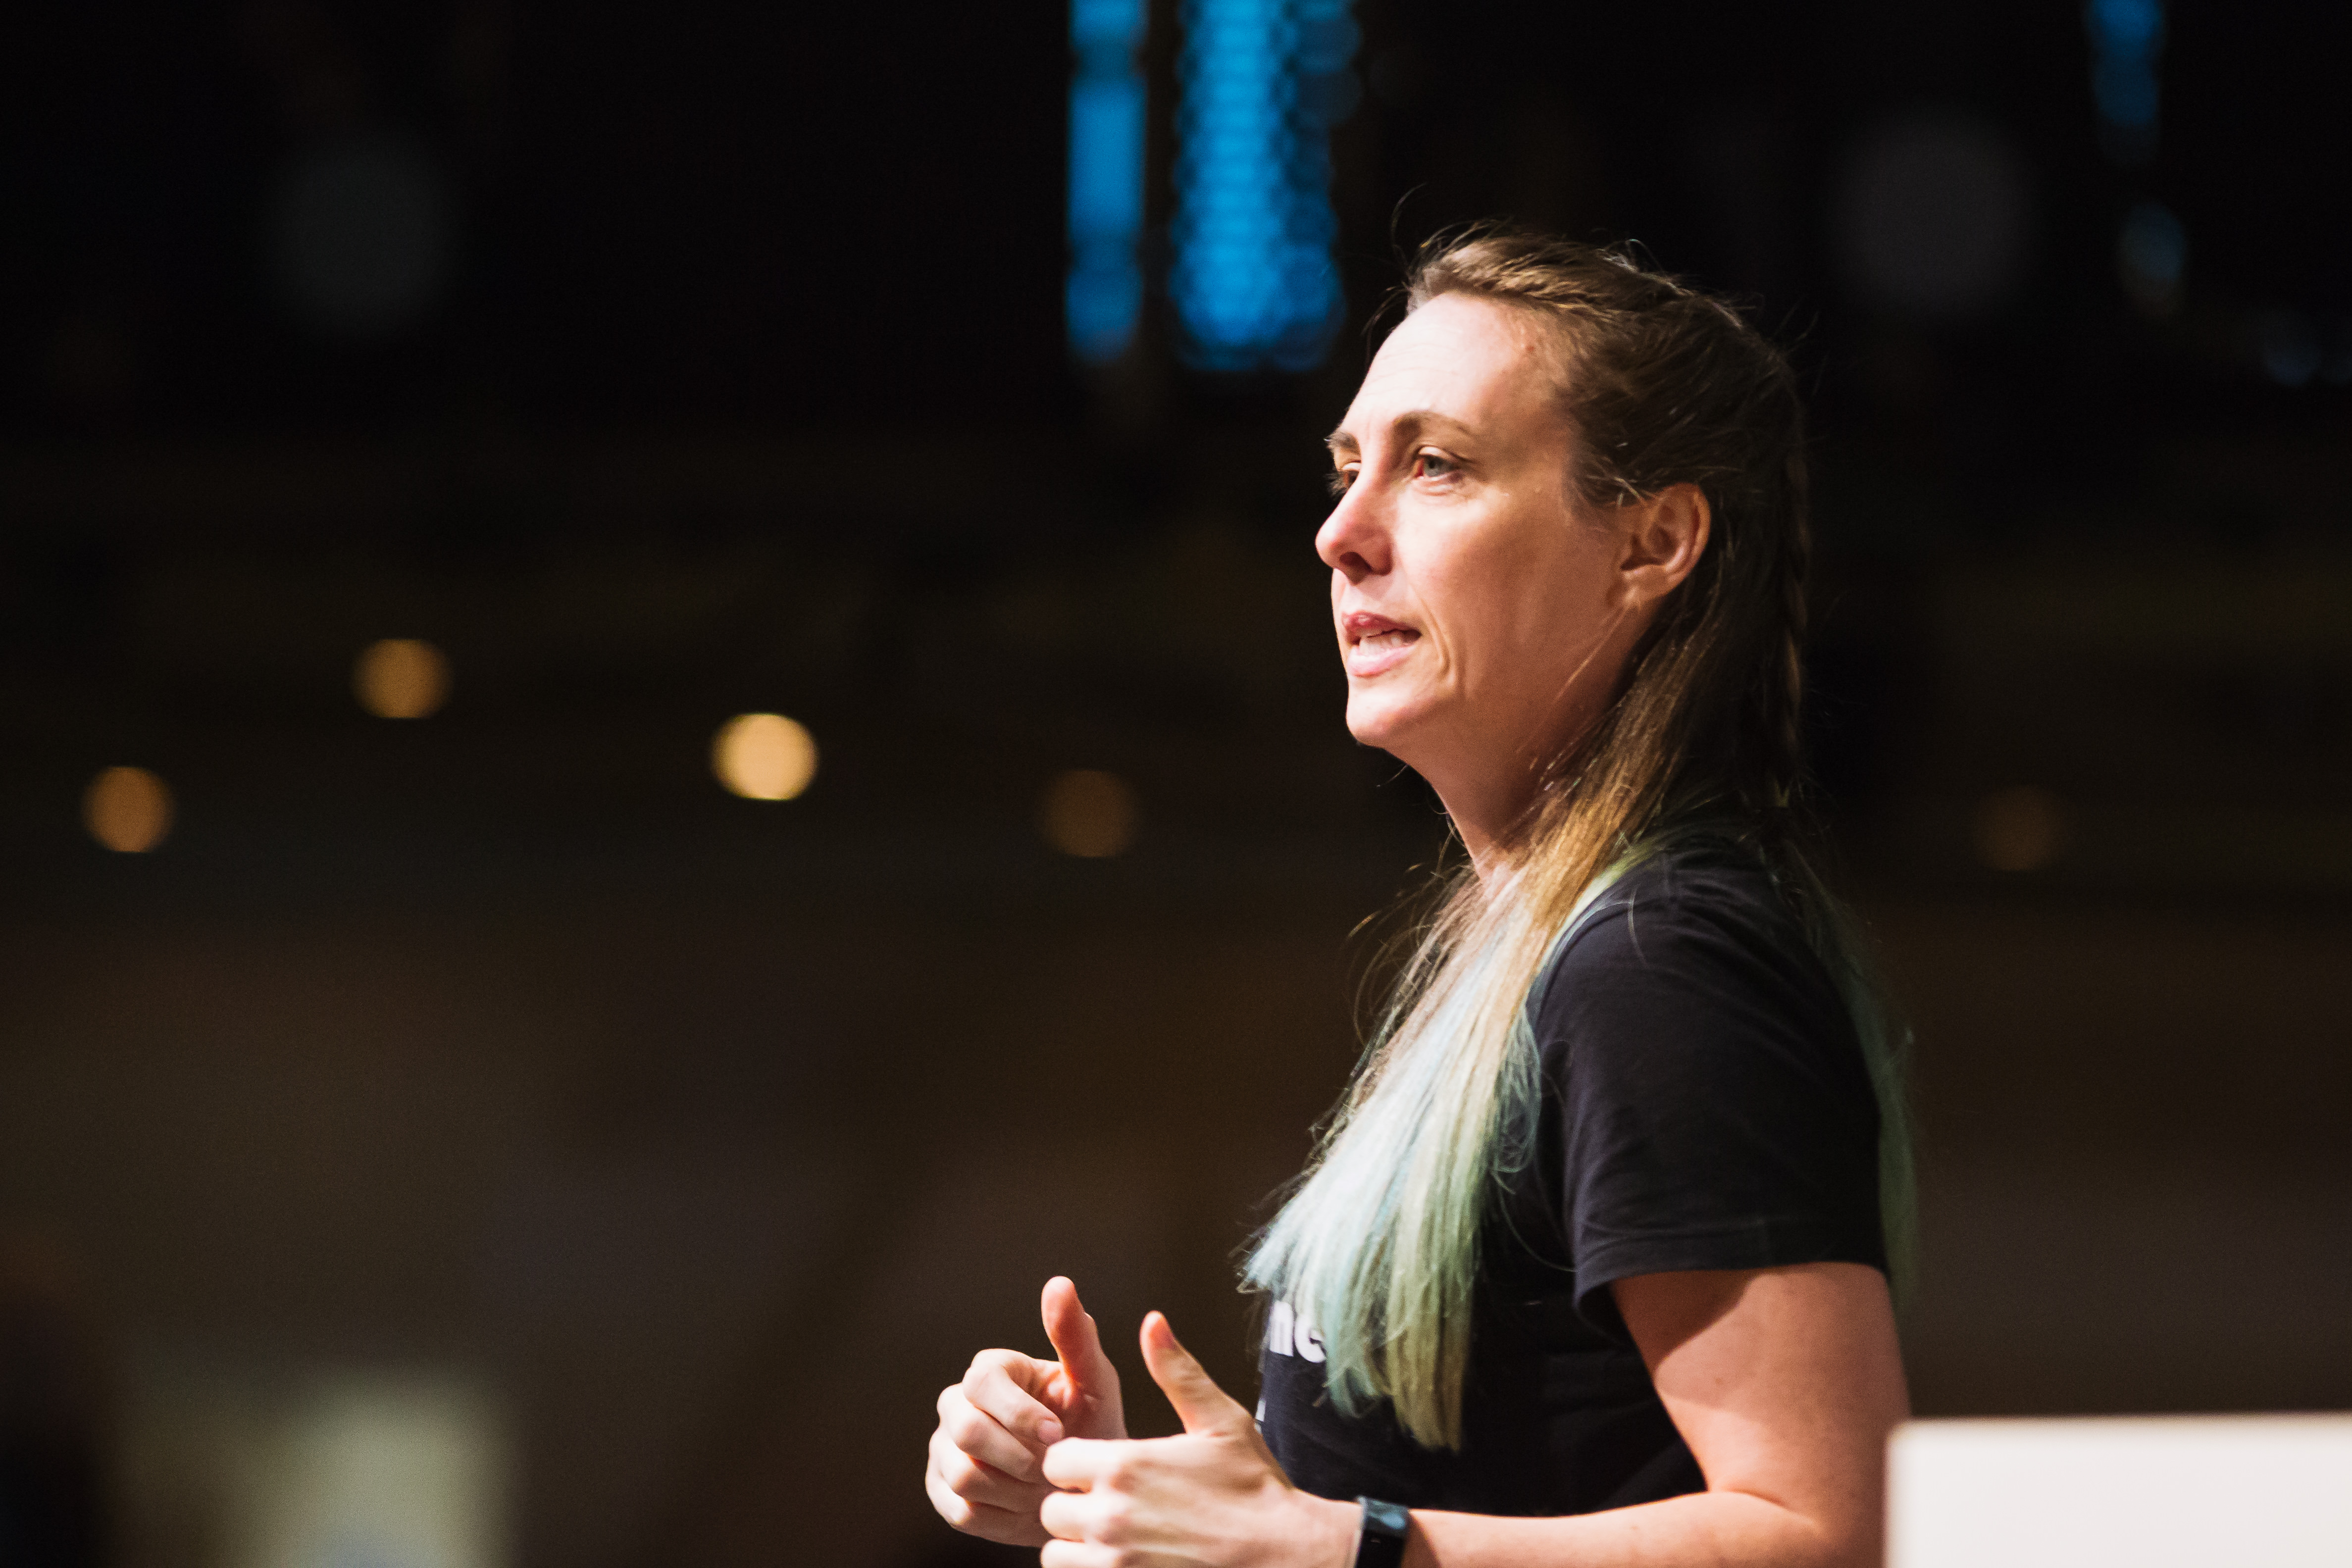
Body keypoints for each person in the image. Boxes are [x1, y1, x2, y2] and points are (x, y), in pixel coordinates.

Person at [924, 231, 1914, 1568]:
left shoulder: (1662, 964)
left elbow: (1829, 1534)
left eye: (1436, 465)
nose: (1340, 533)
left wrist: (1344, 1547)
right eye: (1348, 471)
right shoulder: (1537, 945)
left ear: (1652, 542)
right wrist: (1136, 1496)